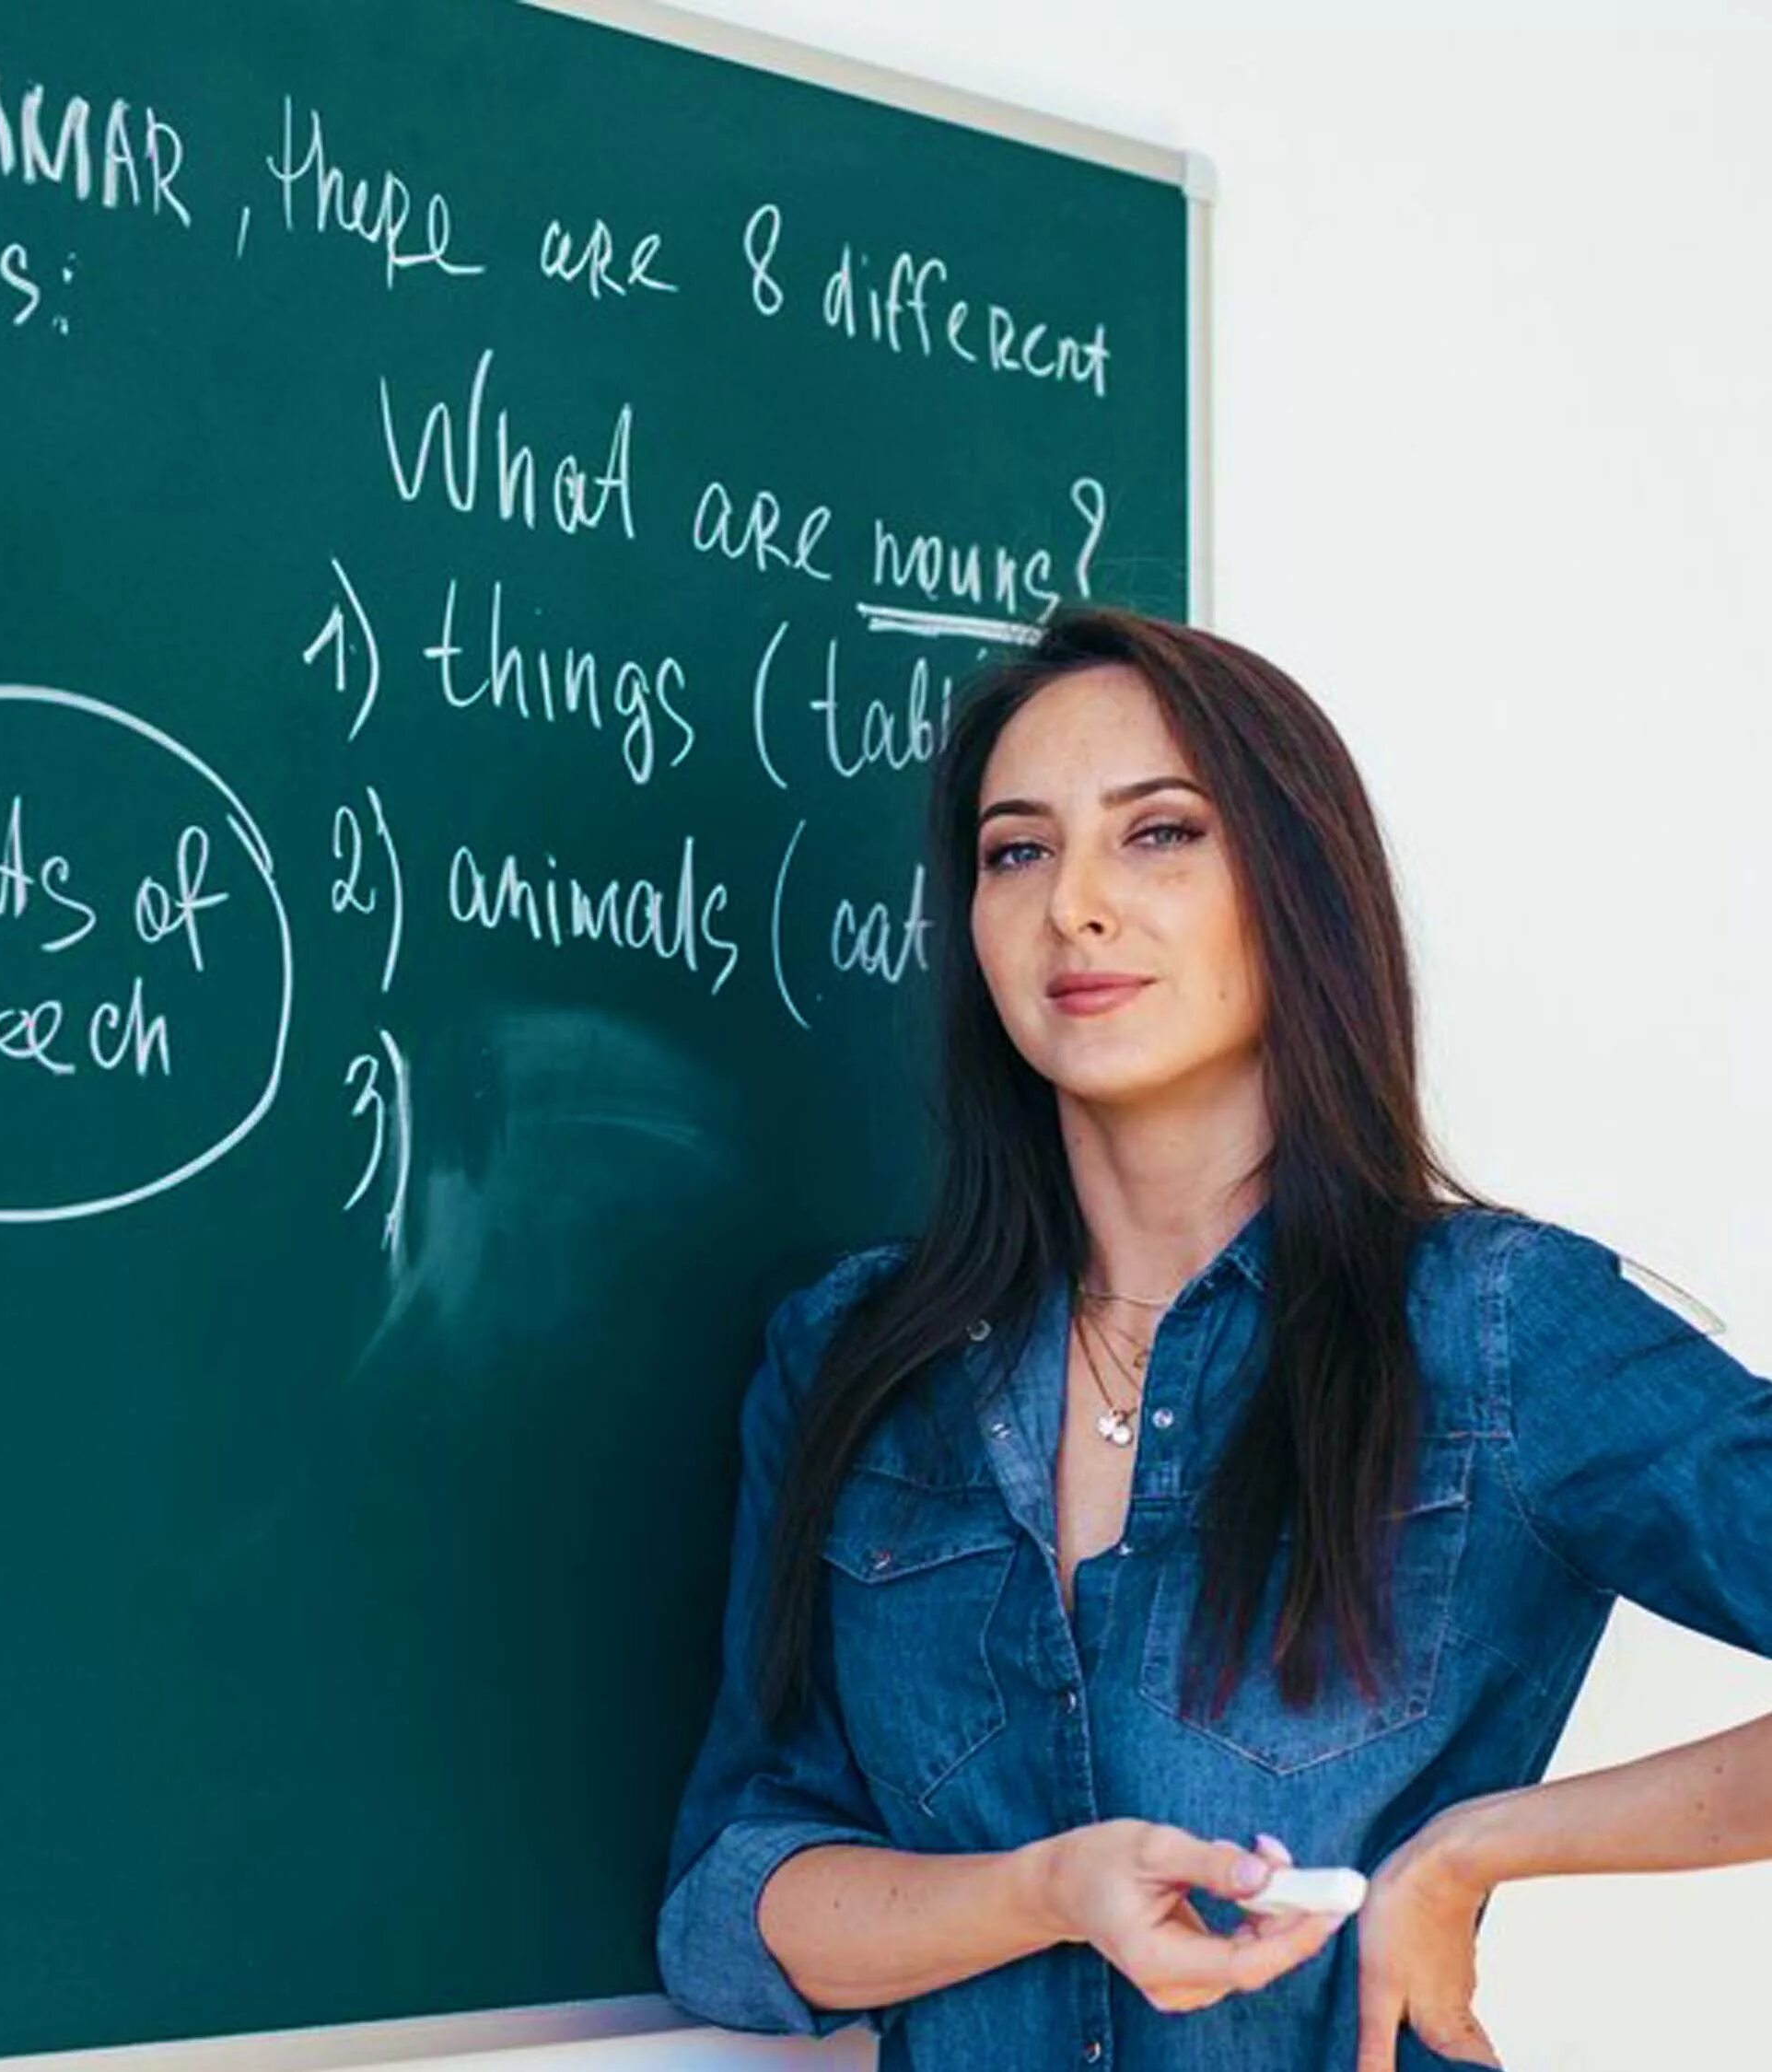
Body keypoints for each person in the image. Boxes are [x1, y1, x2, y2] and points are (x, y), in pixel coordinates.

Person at [655, 607, 1771, 2071]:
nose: (1075, 905)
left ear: (1294, 887)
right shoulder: (852, 1358)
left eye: (1160, 833)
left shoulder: (1494, 1325)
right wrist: (1048, 1890)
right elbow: (726, 1909)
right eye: (1017, 851)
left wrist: (1477, 1846)